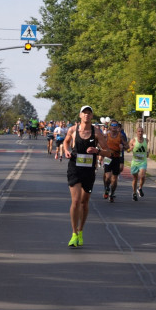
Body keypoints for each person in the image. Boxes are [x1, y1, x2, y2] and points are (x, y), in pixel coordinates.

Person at [63, 105, 109, 248]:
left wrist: (97, 151)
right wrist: (66, 150)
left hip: (89, 170)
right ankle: (74, 233)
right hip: (74, 168)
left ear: (92, 116)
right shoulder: (73, 130)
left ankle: (81, 230)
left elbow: (108, 152)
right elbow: (66, 141)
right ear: (80, 115)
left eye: (89, 113)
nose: (87, 115)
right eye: (84, 113)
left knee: (84, 202)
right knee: (75, 201)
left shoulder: (97, 133)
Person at [103, 120, 129, 202]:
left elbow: (127, 146)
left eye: (115, 125)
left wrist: (123, 146)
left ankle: (112, 193)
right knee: (107, 177)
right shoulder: (106, 135)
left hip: (117, 158)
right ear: (110, 127)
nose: (114, 126)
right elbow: (100, 144)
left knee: (114, 179)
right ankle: (107, 188)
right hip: (108, 157)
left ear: (118, 127)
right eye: (112, 125)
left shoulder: (121, 136)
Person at [129, 126, 148, 200]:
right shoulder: (133, 140)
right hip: (135, 162)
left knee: (142, 176)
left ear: (143, 132)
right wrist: (130, 148)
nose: (140, 133)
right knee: (135, 179)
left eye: (141, 131)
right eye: (139, 131)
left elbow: (146, 149)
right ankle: (134, 193)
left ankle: (140, 188)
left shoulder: (146, 140)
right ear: (136, 133)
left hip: (143, 161)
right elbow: (127, 150)